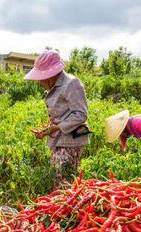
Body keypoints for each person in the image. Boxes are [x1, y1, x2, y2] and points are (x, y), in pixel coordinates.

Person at [25, 51, 89, 188]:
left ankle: (68, 207)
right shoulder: (56, 85)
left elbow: (81, 114)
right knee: (58, 178)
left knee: (63, 181)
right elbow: (63, 114)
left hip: (72, 141)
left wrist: (57, 127)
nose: (40, 82)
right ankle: (62, 207)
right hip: (59, 140)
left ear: (51, 74)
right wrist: (49, 129)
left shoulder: (72, 83)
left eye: (41, 78)